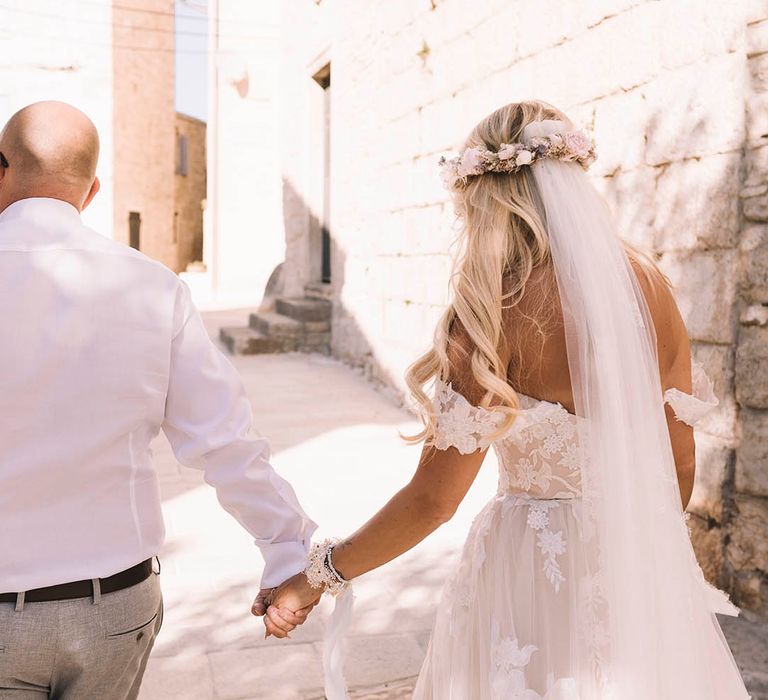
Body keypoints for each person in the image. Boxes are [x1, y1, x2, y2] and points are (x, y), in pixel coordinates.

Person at [259, 101, 750, 699]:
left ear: (483, 196)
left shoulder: (492, 312)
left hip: (527, 576)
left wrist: (318, 576)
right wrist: (640, 555)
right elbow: (678, 463)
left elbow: (433, 502)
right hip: (639, 560)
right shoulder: (648, 288)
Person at [0, 101, 315, 700]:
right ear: (92, 190)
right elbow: (223, 441)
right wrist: (286, 552)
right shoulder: (152, 285)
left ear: (0, 170)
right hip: (112, 609)